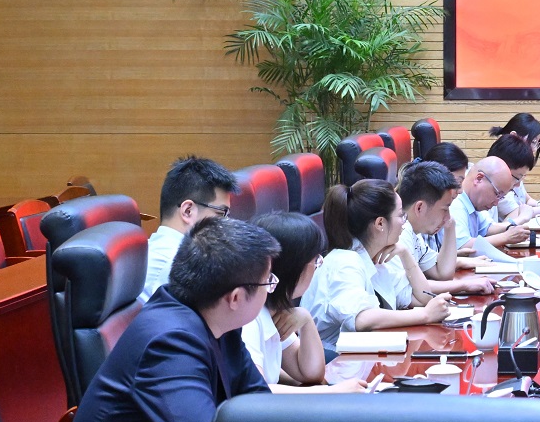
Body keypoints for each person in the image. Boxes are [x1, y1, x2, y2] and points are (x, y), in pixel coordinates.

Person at [44, 216, 277, 422]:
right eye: (268, 282)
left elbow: (257, 404)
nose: (271, 290)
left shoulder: (218, 323)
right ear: (236, 298)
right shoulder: (170, 339)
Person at [303, 180, 452, 343]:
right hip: (333, 356)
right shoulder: (344, 261)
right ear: (380, 223)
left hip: (362, 351)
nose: (404, 222)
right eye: (401, 215)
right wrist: (425, 315)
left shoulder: (377, 257)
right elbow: (362, 318)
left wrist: (405, 255)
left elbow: (422, 299)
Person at [242, 212, 368, 391]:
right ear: (293, 268)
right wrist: (331, 392)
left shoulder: (274, 309)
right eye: (315, 260)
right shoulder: (249, 317)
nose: (317, 266)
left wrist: (306, 321)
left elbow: (310, 373)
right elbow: (256, 393)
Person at [396, 159, 497, 298]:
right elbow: (415, 290)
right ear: (419, 208)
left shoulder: (414, 232)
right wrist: (465, 285)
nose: (448, 217)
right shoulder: (400, 233)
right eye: (445, 209)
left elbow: (442, 272)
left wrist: (450, 226)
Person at [141, 156, 236, 301]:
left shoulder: (159, 249)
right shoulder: (176, 264)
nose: (226, 223)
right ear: (188, 211)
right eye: (221, 213)